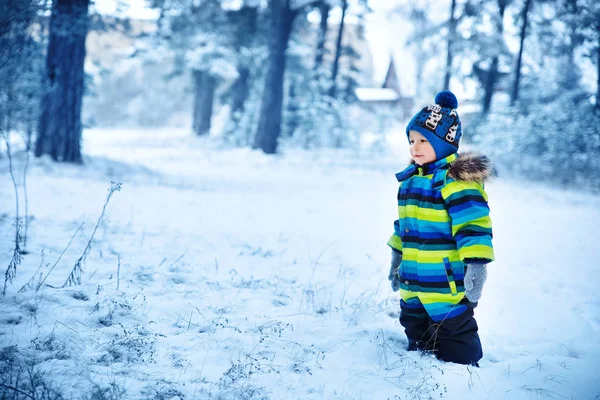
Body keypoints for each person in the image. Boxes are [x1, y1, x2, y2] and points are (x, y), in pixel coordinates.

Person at [387, 90, 494, 366]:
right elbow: (405, 226)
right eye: (412, 140)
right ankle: (421, 365)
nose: (415, 147)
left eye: (423, 140)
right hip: (412, 282)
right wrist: (396, 257)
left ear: (445, 143)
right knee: (415, 328)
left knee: (456, 335)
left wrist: (477, 264)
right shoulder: (410, 181)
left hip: (445, 284)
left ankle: (465, 371)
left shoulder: (457, 182)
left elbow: (473, 226)